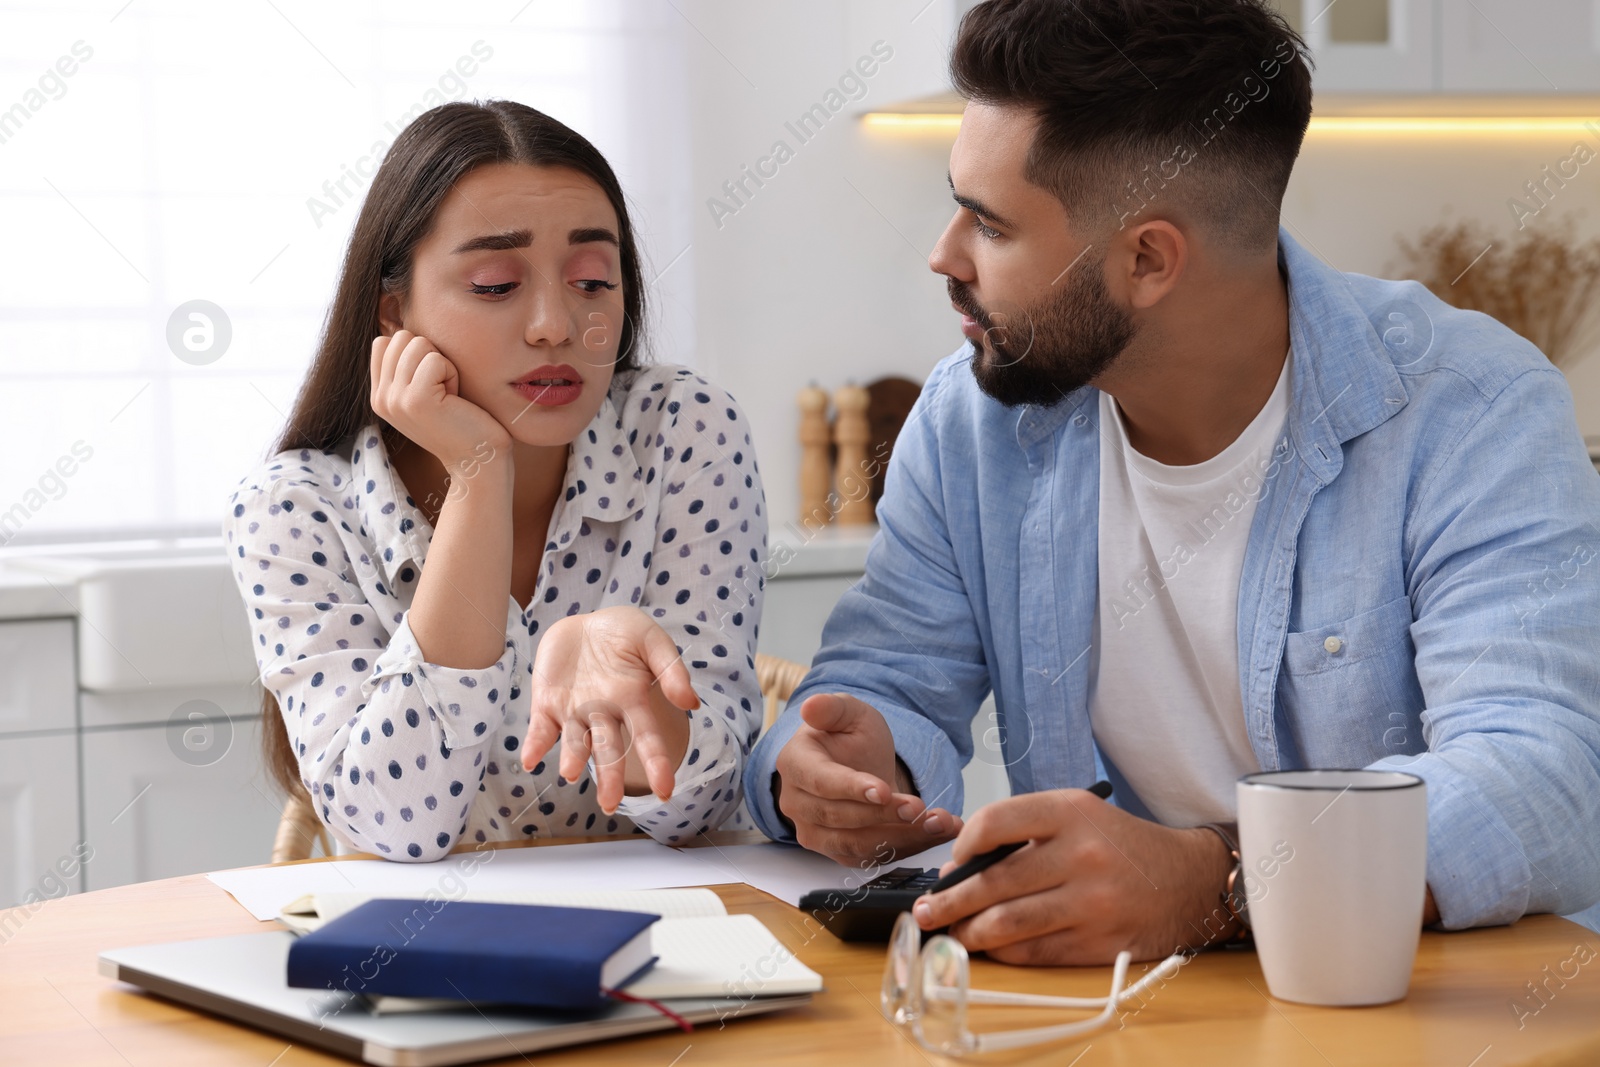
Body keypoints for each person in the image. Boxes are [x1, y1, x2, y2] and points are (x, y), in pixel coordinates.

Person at [744, 0, 1600, 963]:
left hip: (1411, 1004)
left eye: (988, 224)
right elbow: (888, 677)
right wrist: (843, 764)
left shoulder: (1469, 411)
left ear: (1148, 259)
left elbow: (1547, 773)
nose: (944, 256)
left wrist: (1217, 883)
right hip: (1111, 1002)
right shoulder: (973, 420)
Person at [226, 101, 767, 861]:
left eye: (590, 279)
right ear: (393, 314)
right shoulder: (294, 507)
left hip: (660, 943)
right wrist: (479, 475)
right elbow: (397, 825)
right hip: (417, 957)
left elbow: (708, 801)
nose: (556, 323)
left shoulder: (684, 431)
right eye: (492, 285)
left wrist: (638, 689)